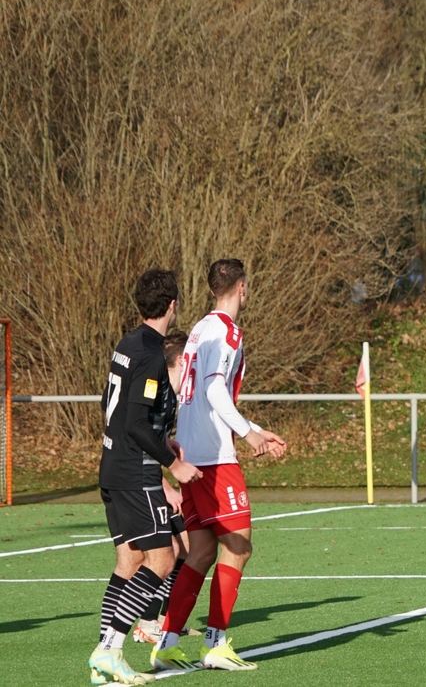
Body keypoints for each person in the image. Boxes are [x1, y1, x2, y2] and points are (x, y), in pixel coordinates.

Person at [152, 259, 286, 671]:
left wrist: (256, 429)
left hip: (190, 457)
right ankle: (215, 642)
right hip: (214, 460)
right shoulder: (227, 332)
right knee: (239, 547)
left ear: (213, 289)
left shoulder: (198, 329)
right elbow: (213, 390)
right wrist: (247, 434)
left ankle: (167, 643)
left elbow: (203, 396)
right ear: (242, 287)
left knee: (202, 552)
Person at [89, 270, 202, 686]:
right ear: (173, 305)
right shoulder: (153, 354)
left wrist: (161, 439)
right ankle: (111, 650)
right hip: (135, 474)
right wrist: (172, 464)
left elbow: (112, 403)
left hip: (112, 466)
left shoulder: (127, 343)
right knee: (163, 559)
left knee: (129, 561)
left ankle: (103, 657)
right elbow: (137, 423)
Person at [133, 332, 198, 645]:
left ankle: (163, 619)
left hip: (153, 479)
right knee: (164, 552)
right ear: (182, 360)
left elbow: (156, 441)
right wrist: (166, 485)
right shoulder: (156, 392)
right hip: (137, 481)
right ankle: (145, 623)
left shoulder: (172, 395)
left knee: (185, 546)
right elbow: (137, 442)